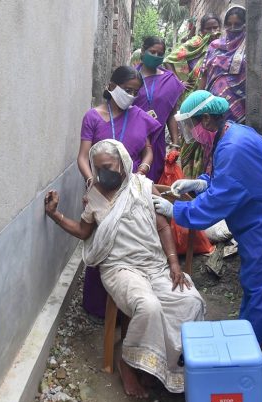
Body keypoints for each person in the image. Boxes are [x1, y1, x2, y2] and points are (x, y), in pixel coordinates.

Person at [151, 90, 262, 352]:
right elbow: (231, 181)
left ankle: (251, 346)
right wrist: (202, 182)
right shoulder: (231, 133)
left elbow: (220, 200)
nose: (190, 130)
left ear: (206, 120)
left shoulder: (234, 147)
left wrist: (176, 211)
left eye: (190, 124)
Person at [47, 140, 205, 397]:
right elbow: (84, 231)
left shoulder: (142, 186)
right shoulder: (95, 195)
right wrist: (56, 215)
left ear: (121, 162)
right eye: (97, 169)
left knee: (189, 300)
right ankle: (128, 364)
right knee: (148, 306)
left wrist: (174, 263)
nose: (102, 174)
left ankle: (162, 363)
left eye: (107, 167)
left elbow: (163, 226)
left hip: (154, 265)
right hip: (119, 269)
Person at [77, 66, 162, 318]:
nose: (131, 96)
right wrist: (92, 181)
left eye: (135, 92)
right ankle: (96, 308)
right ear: (111, 86)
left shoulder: (139, 116)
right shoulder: (93, 117)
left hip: (132, 189)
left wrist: (144, 167)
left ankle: (130, 305)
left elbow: (147, 149)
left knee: (130, 243)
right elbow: (82, 157)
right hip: (102, 189)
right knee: (101, 241)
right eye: (127, 90)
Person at [164, 13, 222, 178]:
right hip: (193, 99)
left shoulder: (222, 47)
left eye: (216, 28)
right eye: (208, 28)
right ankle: (188, 178)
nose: (213, 31)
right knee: (191, 138)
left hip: (211, 100)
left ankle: (202, 178)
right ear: (202, 31)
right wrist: (178, 82)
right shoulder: (195, 44)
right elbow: (169, 58)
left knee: (207, 139)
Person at [198, 5, 262, 124]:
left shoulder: (252, 48)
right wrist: (199, 102)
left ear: (245, 24)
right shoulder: (214, 46)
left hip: (243, 105)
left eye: (237, 24)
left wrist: (259, 105)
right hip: (215, 105)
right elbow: (204, 75)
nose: (232, 28)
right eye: (229, 24)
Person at [134, 36, 186, 182]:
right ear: (143, 51)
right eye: (152, 52)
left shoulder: (170, 80)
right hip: (133, 138)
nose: (156, 56)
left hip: (157, 141)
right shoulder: (131, 77)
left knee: (153, 180)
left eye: (160, 54)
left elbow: (172, 114)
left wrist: (175, 143)